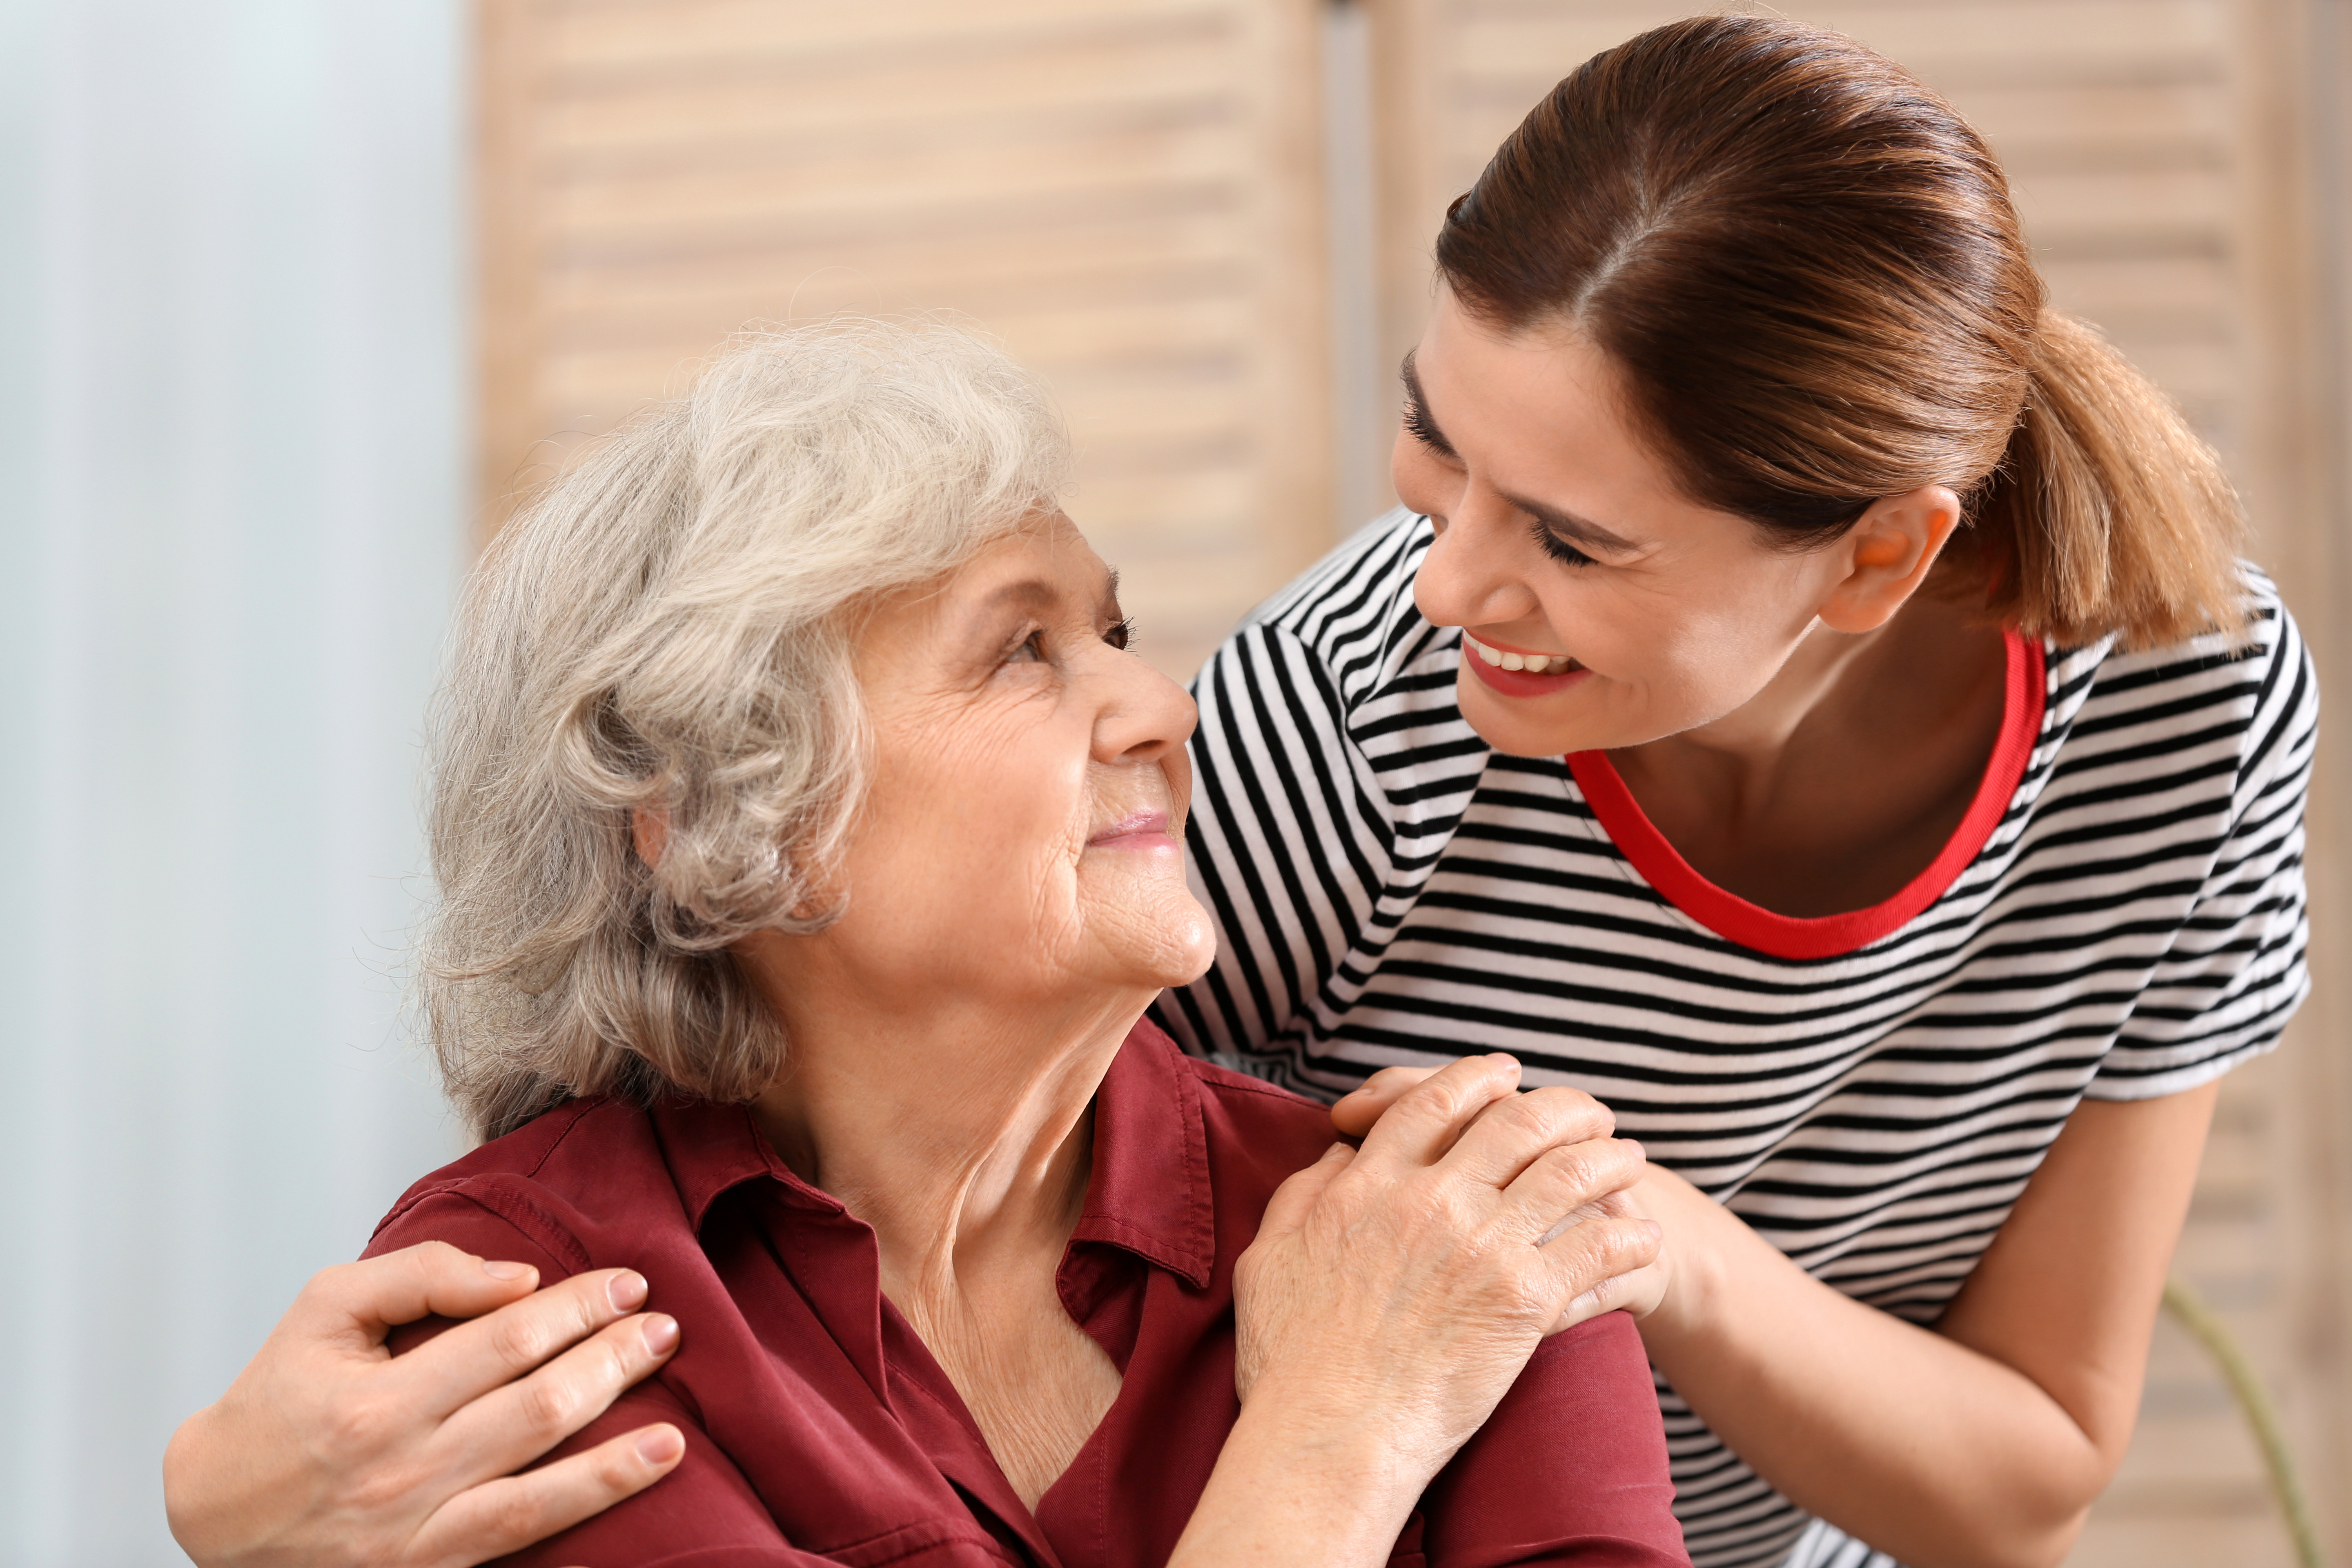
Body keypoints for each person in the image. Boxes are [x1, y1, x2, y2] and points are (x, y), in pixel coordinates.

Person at [164, 16, 2314, 1568]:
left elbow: (2035, 1452)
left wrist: (1588, 1257)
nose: (1446, 584)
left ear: (1876, 560)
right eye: (1431, 444)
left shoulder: (1459, 1245)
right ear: (731, 808)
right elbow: (774, 1079)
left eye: (1568, 540)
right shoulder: (583, 1317)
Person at [168, 320, 1686, 1568]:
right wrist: (1341, 1431)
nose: (1165, 709)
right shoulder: (534, 1314)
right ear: (715, 815)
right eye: (1024, 652)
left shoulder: (1453, 1236)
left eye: (1112, 630)